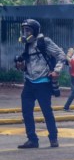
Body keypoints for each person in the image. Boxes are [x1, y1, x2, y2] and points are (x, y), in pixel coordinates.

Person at [14, 19, 67, 148]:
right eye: (24, 30)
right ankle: (32, 139)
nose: (25, 33)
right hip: (29, 82)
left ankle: (53, 138)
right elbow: (29, 65)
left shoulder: (44, 41)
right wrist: (21, 66)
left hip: (43, 82)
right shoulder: (27, 44)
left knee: (46, 111)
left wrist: (56, 71)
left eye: (28, 30)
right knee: (26, 111)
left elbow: (61, 56)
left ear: (35, 30)